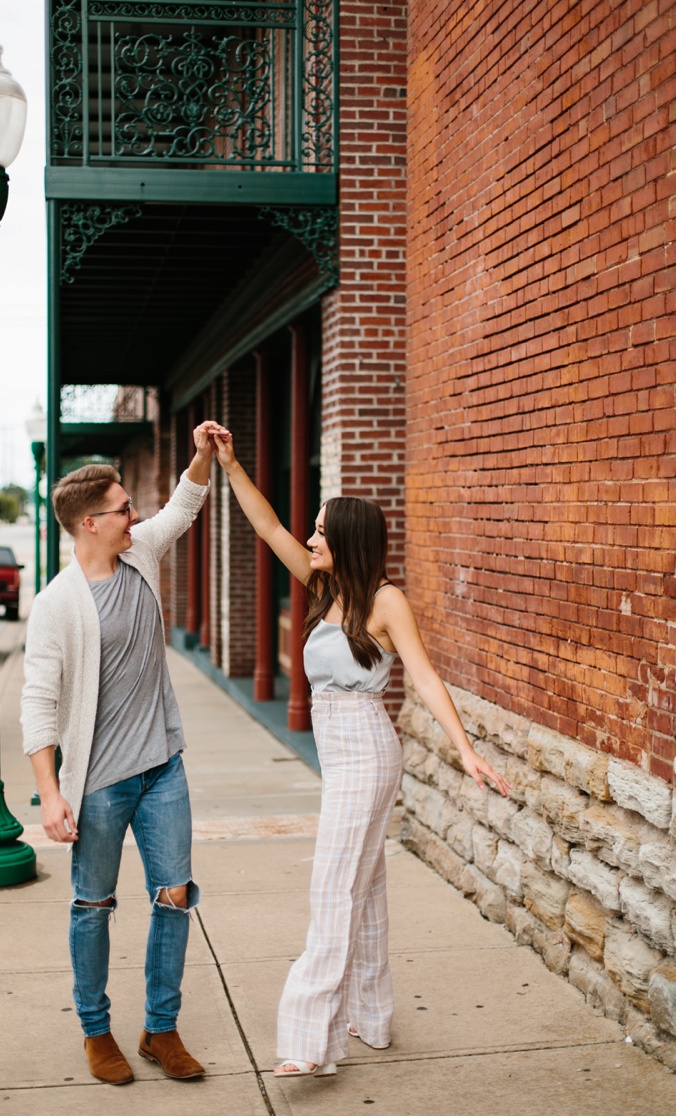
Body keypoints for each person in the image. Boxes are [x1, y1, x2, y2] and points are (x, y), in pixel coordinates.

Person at [205, 425, 511, 1077]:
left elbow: (425, 677)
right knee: (364, 889)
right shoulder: (323, 589)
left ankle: (309, 1043)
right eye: (311, 530)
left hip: (370, 753)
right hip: (342, 757)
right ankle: (369, 1020)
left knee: (332, 885)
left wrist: (465, 751)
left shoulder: (383, 600)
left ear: (345, 540)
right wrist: (230, 464)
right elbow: (265, 529)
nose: (310, 538)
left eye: (319, 530)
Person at [21, 421, 224, 1086]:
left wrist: (201, 455)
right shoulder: (57, 606)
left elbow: (184, 506)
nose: (135, 514)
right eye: (122, 507)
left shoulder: (140, 554)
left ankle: (159, 1029)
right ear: (88, 524)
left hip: (163, 765)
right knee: (94, 906)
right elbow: (38, 704)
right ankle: (95, 1031)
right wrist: (51, 795)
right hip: (100, 784)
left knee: (174, 896)